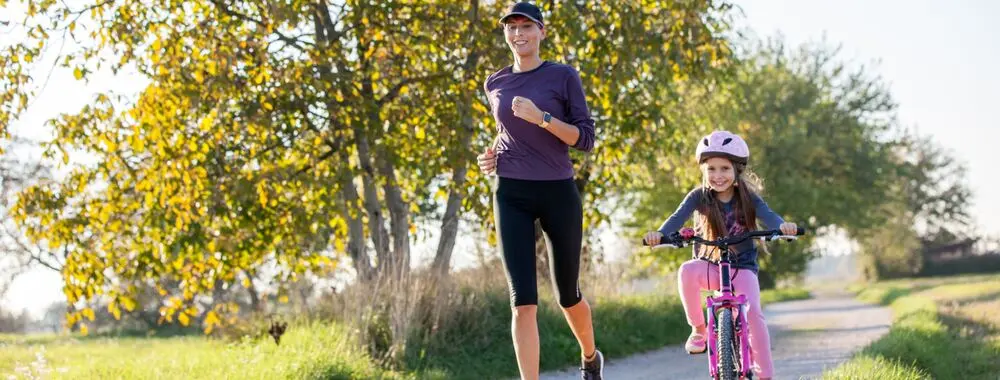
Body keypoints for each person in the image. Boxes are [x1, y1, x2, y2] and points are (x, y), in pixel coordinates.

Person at [476, 2, 602, 379]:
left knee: (567, 294)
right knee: (522, 303)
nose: (518, 34)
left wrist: (543, 118)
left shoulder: (563, 76)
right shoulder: (494, 82)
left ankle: (591, 356)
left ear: (542, 32)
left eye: (526, 27)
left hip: (557, 192)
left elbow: (585, 139)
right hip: (510, 191)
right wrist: (490, 155)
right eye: (511, 28)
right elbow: (506, 133)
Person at [642, 130, 798, 380]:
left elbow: (770, 217)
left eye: (724, 168)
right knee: (686, 271)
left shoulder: (748, 198)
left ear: (737, 170)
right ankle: (698, 329)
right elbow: (676, 219)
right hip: (710, 266)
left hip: (743, 269)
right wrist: (659, 235)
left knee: (755, 314)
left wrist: (783, 227)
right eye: (711, 169)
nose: (717, 175)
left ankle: (765, 374)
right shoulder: (698, 196)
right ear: (703, 170)